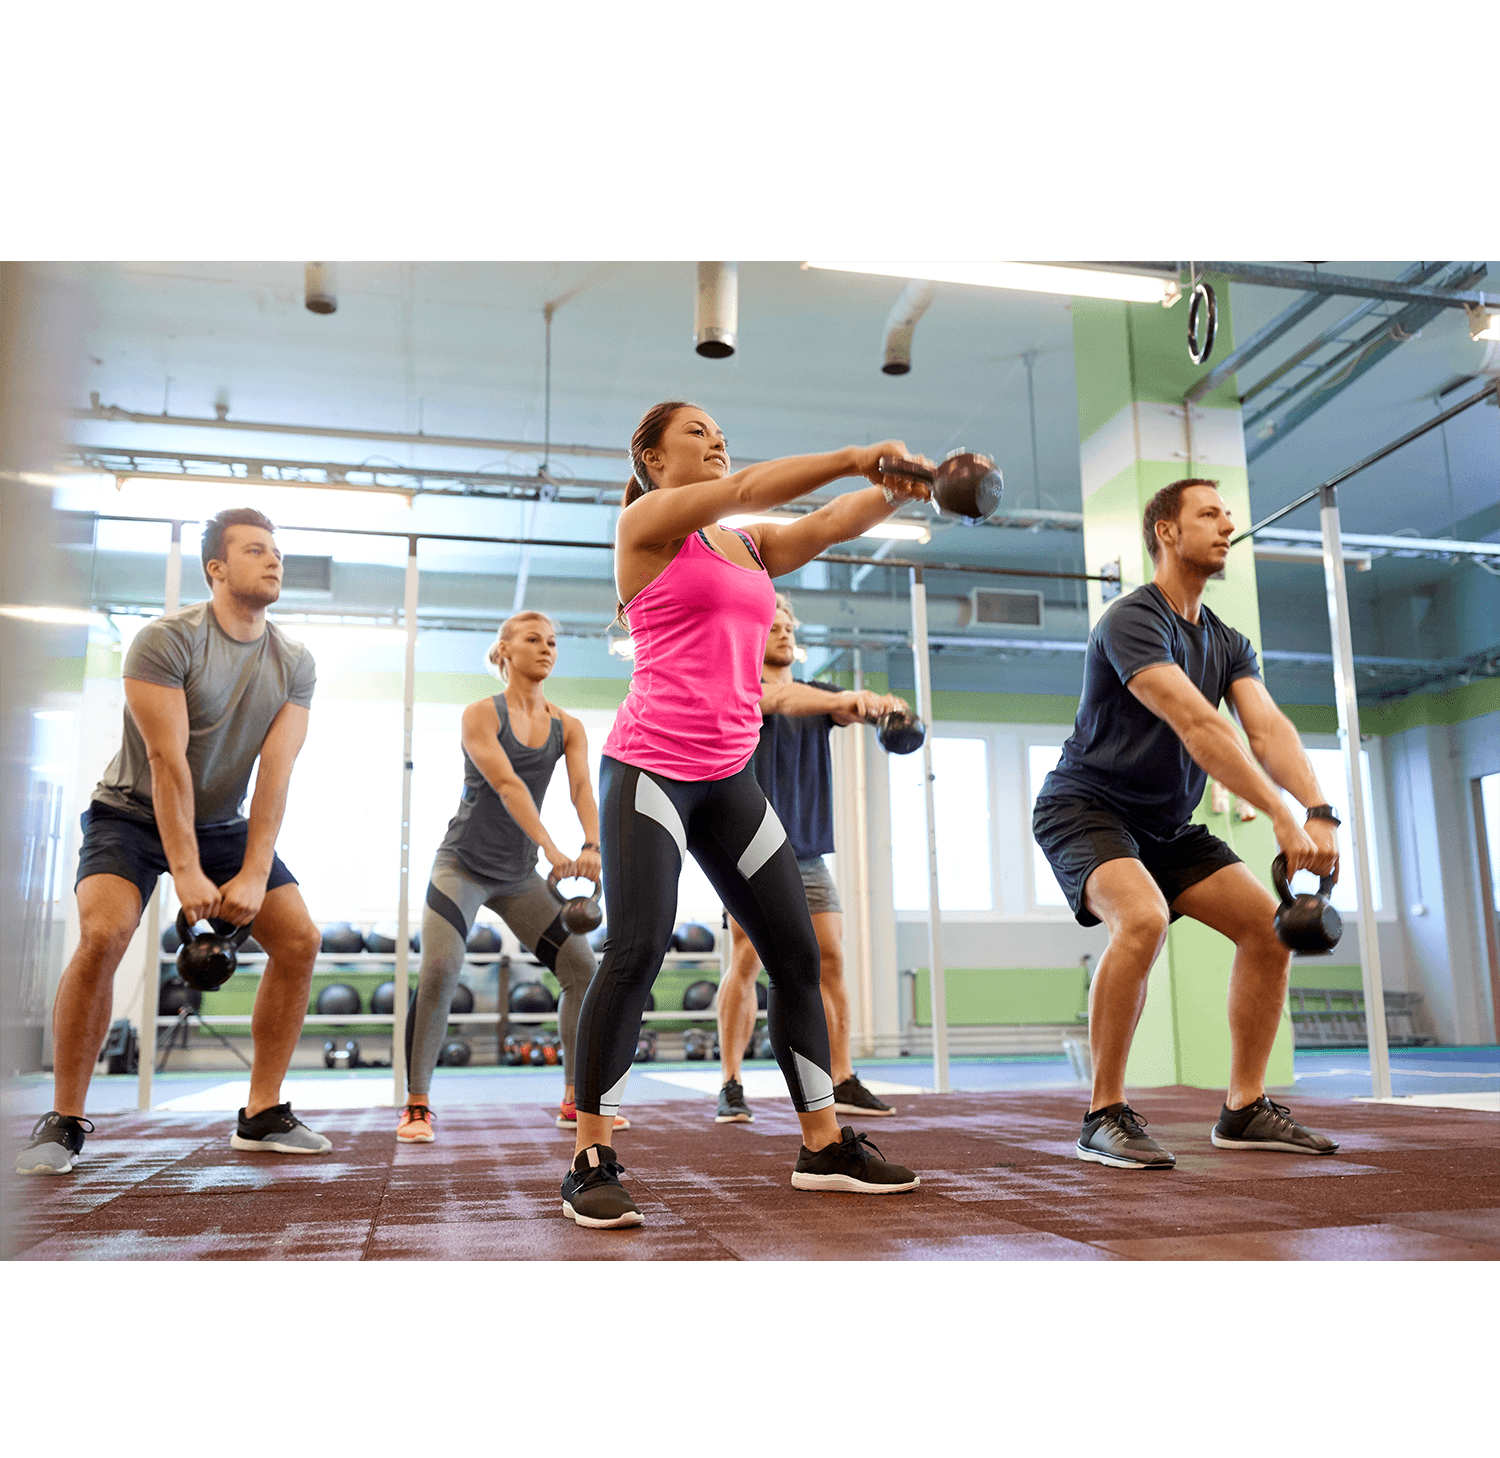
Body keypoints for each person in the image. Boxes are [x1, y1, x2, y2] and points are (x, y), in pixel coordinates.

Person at [563, 399, 952, 1229]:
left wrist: (899, 487)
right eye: (695, 433)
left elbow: (831, 524)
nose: (715, 443)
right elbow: (746, 485)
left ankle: (822, 1144)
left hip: (729, 776)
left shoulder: (745, 545)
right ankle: (591, 1156)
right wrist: (855, 450)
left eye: (720, 433)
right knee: (636, 948)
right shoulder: (648, 527)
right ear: (652, 459)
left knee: (797, 954)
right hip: (650, 770)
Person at [1032, 478, 1343, 1170]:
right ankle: (1102, 1112)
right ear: (1166, 532)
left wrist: (1318, 810)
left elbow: (1266, 730)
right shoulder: (1133, 619)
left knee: (1267, 934)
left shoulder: (1228, 643)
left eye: (1229, 514)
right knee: (1141, 918)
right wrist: (1278, 816)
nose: (1228, 524)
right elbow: (1198, 723)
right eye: (1210, 513)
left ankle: (1244, 1107)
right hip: (1086, 807)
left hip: (1166, 824)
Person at [17, 507, 327, 1174]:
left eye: (276, 550)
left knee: (299, 938)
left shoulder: (294, 662)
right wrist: (185, 872)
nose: (274, 561)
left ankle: (262, 1113)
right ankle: (64, 1119)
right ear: (216, 567)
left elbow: (275, 773)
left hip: (221, 822)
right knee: (104, 933)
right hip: (129, 815)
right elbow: (167, 762)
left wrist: (251, 871)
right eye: (254, 550)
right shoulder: (165, 640)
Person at [397, 611, 609, 1143]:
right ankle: (417, 1104)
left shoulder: (569, 726)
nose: (546, 649)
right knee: (443, 966)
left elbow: (582, 789)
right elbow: (508, 784)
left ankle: (576, 1101)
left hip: (518, 878)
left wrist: (592, 845)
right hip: (461, 867)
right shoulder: (479, 715)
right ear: (505, 652)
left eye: (553, 642)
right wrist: (555, 850)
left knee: (582, 968)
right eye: (533, 640)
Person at [714, 593, 908, 1125]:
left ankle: (841, 1077)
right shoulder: (741, 689)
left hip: (806, 850)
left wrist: (883, 708)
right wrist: (849, 697)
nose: (782, 633)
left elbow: (847, 707)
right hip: (748, 845)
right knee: (748, 960)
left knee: (830, 959)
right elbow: (782, 701)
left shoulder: (824, 697)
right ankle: (731, 1082)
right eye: (771, 625)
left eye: (787, 626)